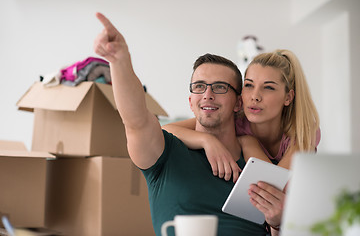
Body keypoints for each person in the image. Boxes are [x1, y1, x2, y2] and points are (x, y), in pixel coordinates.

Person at [94, 12, 283, 236]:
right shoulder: (166, 153)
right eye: (199, 86)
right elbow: (136, 119)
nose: (208, 94)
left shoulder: (255, 161)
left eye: (220, 87)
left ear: (238, 103)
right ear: (191, 101)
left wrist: (278, 222)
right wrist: (120, 61)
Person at [163, 49, 321, 232]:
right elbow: (164, 129)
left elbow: (274, 187)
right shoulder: (236, 118)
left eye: (268, 87)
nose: (255, 96)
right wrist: (207, 140)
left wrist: (248, 143)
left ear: (288, 97)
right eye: (249, 85)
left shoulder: (302, 131)